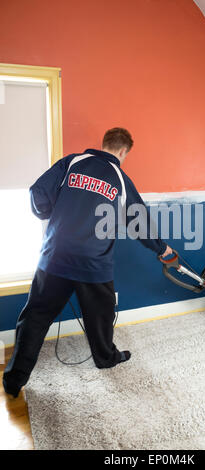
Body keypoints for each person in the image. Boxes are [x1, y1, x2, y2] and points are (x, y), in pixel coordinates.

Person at [3, 127, 172, 398]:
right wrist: (161, 248)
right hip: (93, 264)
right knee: (101, 315)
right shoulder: (120, 177)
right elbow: (138, 221)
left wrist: (49, 212)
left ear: (103, 143)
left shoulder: (72, 162)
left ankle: (13, 380)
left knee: (35, 317)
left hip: (55, 257)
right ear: (122, 152)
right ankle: (105, 358)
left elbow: (37, 192)